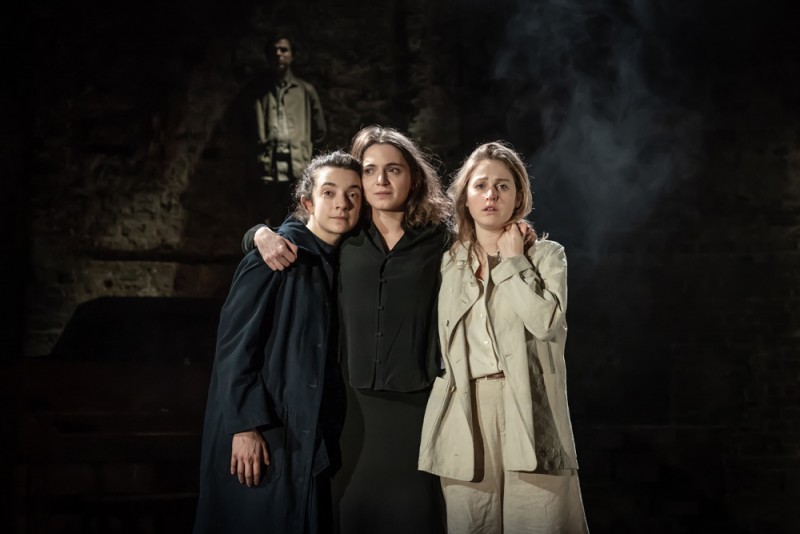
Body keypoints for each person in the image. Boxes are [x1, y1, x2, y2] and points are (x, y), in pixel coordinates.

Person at [243, 125, 450, 533]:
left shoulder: (440, 239)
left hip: (417, 406)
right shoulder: (344, 233)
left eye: (394, 170)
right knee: (349, 515)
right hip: (348, 408)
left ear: (414, 176)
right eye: (370, 170)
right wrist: (258, 234)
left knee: (415, 517)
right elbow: (292, 234)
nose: (381, 180)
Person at [418, 141, 589, 533]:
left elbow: (546, 323)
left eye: (502, 186)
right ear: (464, 197)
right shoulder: (448, 261)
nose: (491, 194)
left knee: (539, 521)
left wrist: (513, 262)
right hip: (465, 412)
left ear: (519, 196)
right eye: (480, 185)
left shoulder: (546, 256)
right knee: (470, 523)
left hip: (529, 406)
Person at [194, 151, 363, 534]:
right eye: (330, 192)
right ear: (308, 202)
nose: (342, 203)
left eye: (354, 194)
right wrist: (244, 426)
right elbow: (234, 348)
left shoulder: (338, 262)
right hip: (266, 429)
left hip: (307, 432)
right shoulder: (274, 258)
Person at [255, 33, 326, 223]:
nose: (279, 54)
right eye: (274, 51)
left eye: (284, 50)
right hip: (266, 169)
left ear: (292, 55)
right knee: (267, 219)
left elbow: (319, 131)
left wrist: (305, 153)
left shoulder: (305, 91)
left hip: (297, 167)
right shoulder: (257, 92)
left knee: (298, 217)